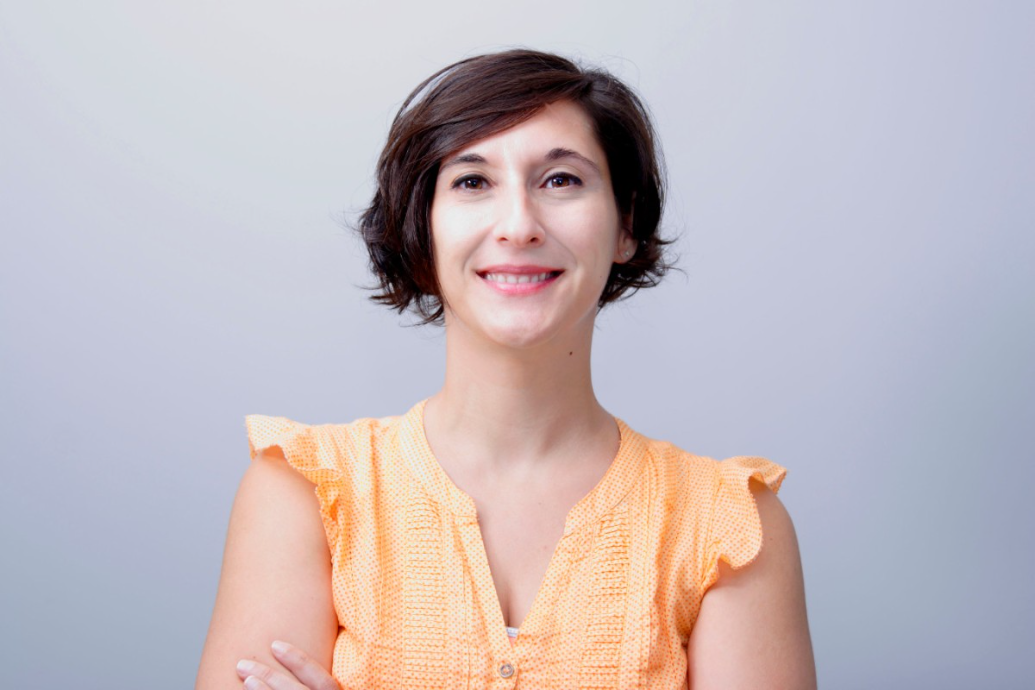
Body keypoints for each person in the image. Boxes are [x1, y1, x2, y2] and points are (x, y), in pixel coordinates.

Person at [196, 49, 816, 690]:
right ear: (422, 227)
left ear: (626, 225)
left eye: (561, 181)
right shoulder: (305, 490)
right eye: (472, 182)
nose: (518, 225)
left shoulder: (731, 527)